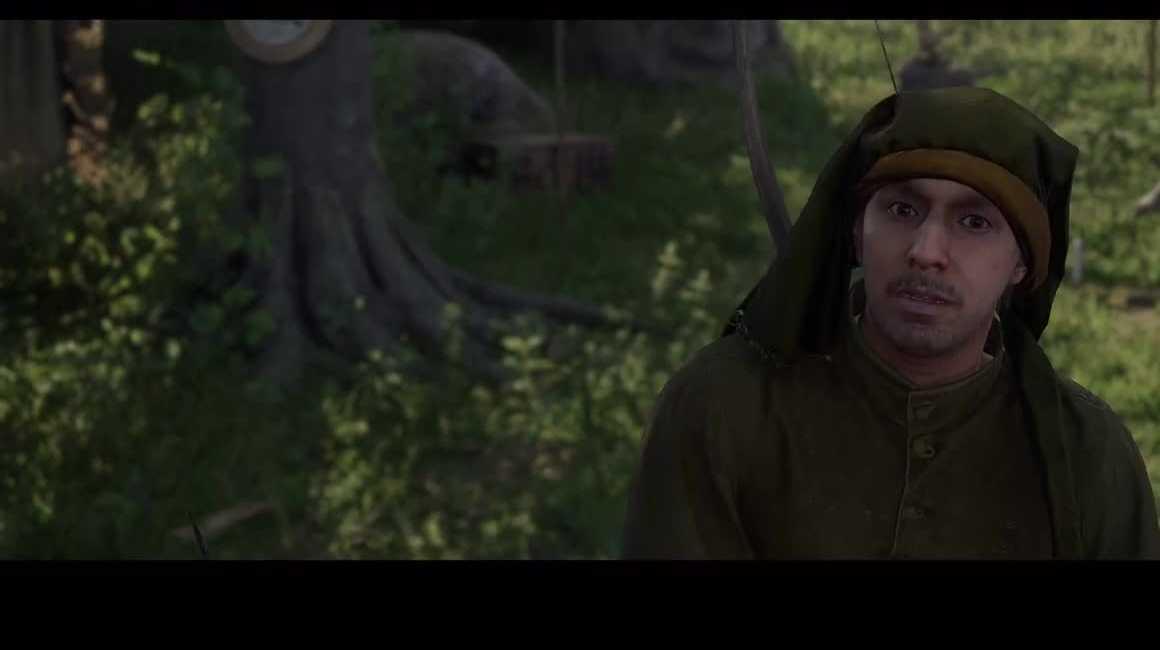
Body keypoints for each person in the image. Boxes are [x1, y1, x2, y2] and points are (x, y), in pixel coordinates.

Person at [621, 86, 1160, 559]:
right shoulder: (724, 409)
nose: (927, 251)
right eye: (903, 210)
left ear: (1022, 265)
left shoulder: (1087, 453)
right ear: (858, 232)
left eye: (974, 222)